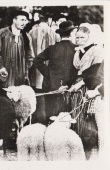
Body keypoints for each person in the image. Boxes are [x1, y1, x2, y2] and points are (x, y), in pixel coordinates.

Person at [68, 25, 104, 159]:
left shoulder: (97, 50)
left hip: (90, 85)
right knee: (76, 115)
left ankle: (90, 146)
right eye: (77, 37)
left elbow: (96, 72)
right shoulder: (78, 51)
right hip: (77, 85)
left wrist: (81, 83)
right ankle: (78, 143)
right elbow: (75, 70)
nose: (79, 40)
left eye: (82, 37)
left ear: (89, 37)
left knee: (87, 116)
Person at [33, 21, 77, 124]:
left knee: (51, 115)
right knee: (67, 116)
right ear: (71, 33)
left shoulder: (52, 48)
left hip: (50, 85)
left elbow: (36, 60)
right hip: (69, 87)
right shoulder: (76, 49)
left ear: (60, 34)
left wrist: (48, 73)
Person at [28, 12, 60, 124]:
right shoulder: (54, 33)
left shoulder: (31, 33)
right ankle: (49, 121)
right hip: (50, 71)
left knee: (37, 96)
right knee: (50, 96)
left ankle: (37, 121)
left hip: (35, 70)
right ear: (49, 19)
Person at [0, 10, 34, 87]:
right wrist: (0, 67)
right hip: (4, 73)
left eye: (25, 20)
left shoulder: (26, 37)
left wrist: (25, 69)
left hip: (20, 76)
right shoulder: (2, 33)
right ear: (14, 20)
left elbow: (30, 56)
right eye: (21, 20)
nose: (24, 23)